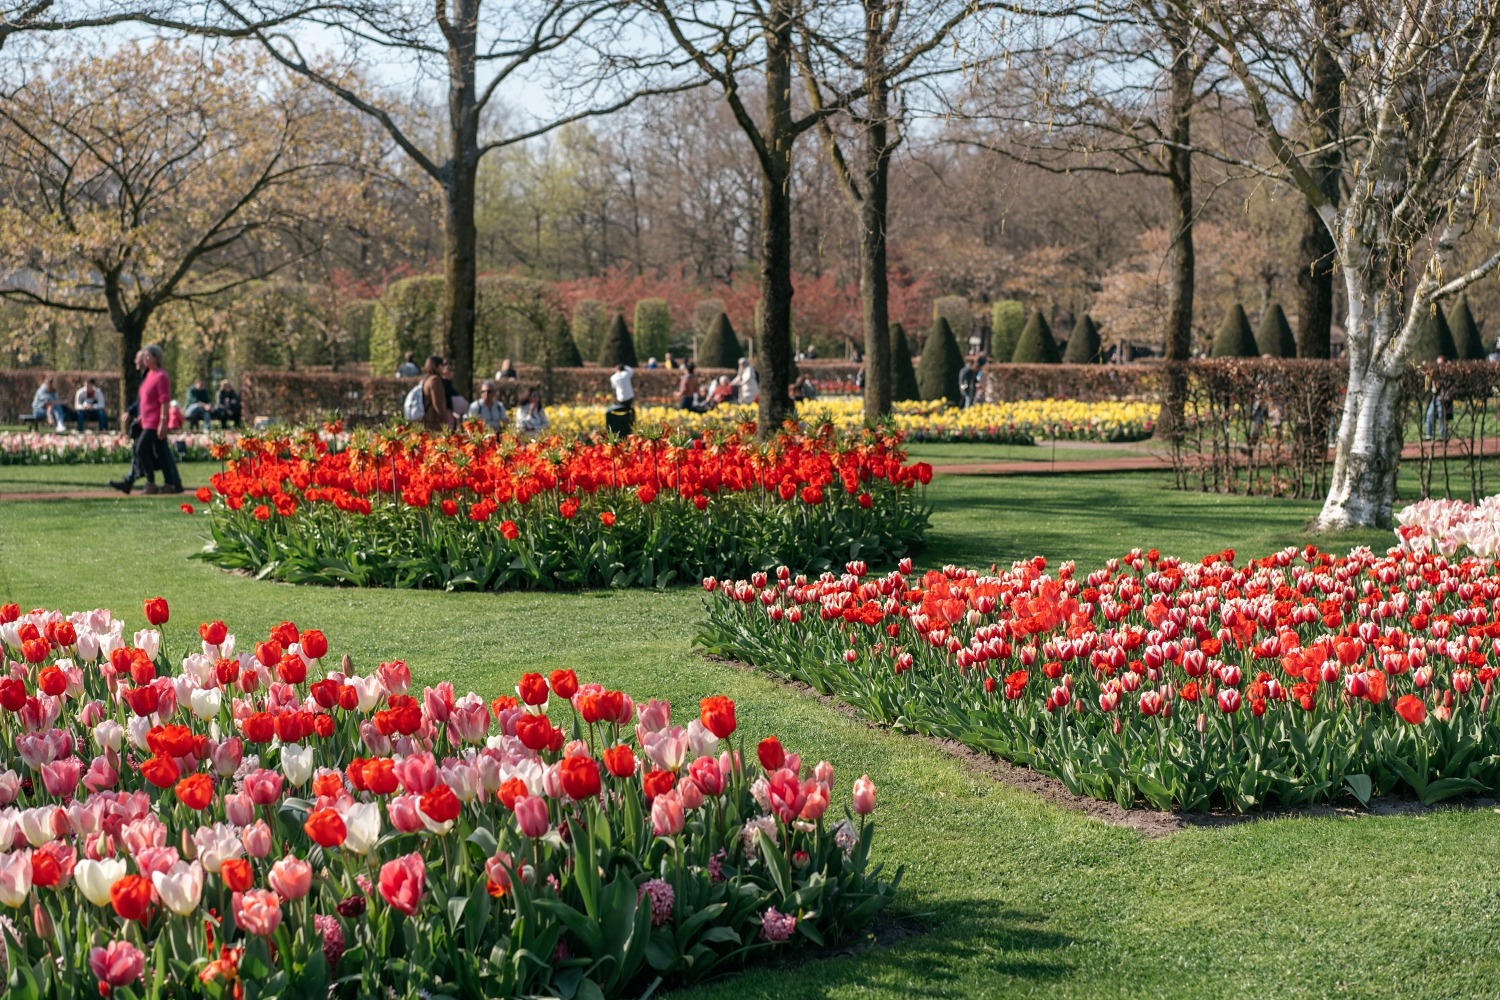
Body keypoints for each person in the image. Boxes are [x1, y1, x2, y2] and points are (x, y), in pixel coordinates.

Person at [110, 345, 182, 495]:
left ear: (156, 358)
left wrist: (163, 422)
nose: (145, 358)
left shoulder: (161, 376)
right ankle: (170, 484)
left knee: (140, 449)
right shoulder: (149, 375)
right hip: (146, 420)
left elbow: (164, 400)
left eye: (148, 356)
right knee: (161, 454)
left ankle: (151, 483)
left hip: (154, 422)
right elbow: (144, 400)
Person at [419, 355, 451, 432]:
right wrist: (445, 421)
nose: (444, 367)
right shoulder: (435, 380)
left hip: (425, 420)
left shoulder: (426, 379)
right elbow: (437, 403)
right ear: (437, 366)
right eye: (443, 365)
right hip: (433, 422)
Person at [1424, 356, 1451, 441]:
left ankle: (1443, 436)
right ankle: (1429, 435)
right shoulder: (1435, 372)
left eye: (1441, 363)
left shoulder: (1447, 373)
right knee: (1429, 414)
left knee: (1442, 416)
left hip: (1442, 398)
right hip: (1435, 397)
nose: (1439, 365)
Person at [440, 358, 467, 428]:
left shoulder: (447, 383)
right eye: (450, 370)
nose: (452, 373)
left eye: (454, 370)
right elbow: (446, 398)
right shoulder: (443, 383)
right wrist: (452, 411)